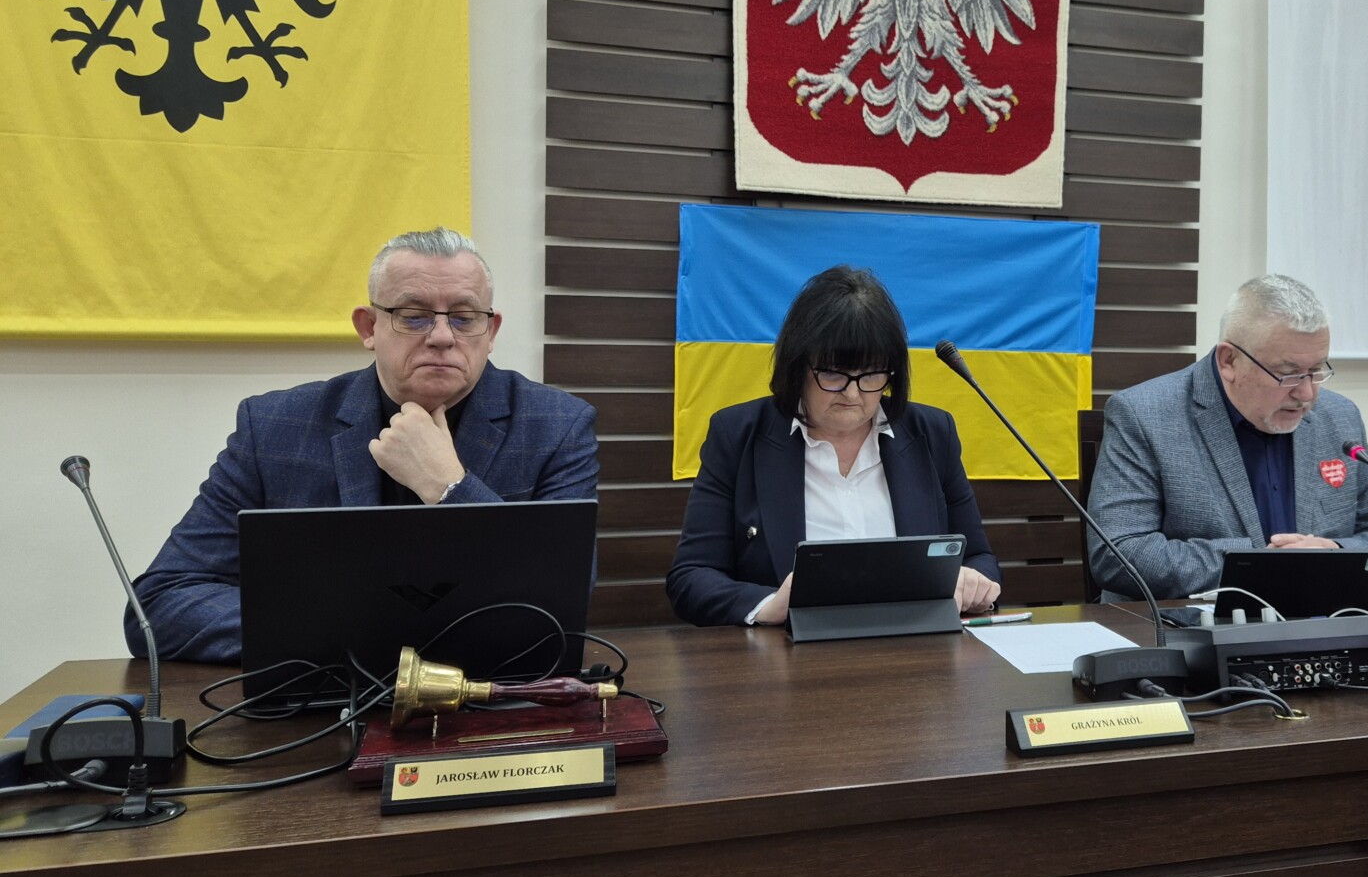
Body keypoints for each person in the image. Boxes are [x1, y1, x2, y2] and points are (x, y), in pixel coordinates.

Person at [131, 227, 599, 663]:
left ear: (490, 331)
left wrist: (450, 487)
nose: (442, 337)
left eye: (463, 318)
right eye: (413, 317)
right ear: (368, 327)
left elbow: (559, 603)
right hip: (318, 700)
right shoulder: (273, 427)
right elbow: (160, 603)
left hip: (487, 703)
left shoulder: (556, 426)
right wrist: (346, 633)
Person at [668, 265, 1000, 626]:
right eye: (833, 373)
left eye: (871, 374)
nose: (852, 393)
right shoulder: (738, 435)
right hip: (788, 652)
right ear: (798, 367)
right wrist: (770, 605)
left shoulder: (931, 434)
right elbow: (691, 578)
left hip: (914, 648)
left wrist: (971, 581)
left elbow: (979, 559)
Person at [1086, 274, 1368, 601]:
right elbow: (1118, 553)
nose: (1307, 393)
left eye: (1316, 371)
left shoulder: (1338, 416)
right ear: (1229, 361)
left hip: (1320, 618)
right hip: (1186, 622)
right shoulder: (1145, 415)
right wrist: (1258, 564)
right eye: (1287, 374)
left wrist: (1332, 552)